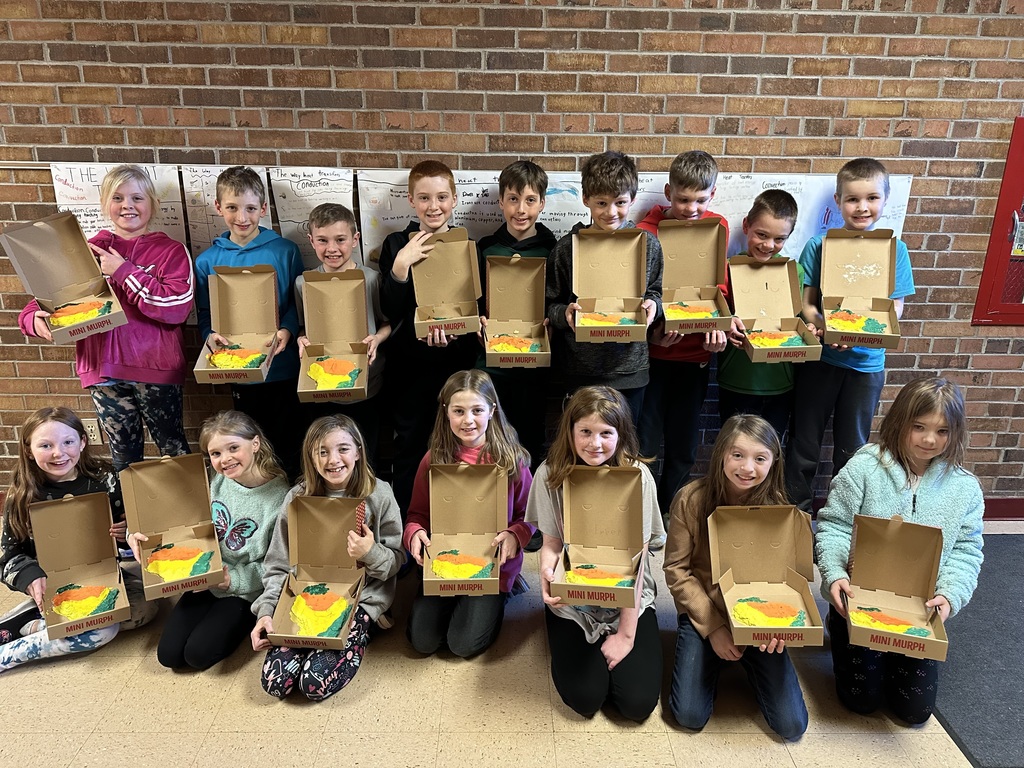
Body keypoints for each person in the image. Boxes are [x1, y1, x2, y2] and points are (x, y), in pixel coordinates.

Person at [816, 376, 984, 725]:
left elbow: (967, 551)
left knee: (914, 712)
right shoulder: (864, 468)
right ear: (899, 423)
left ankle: (894, 658)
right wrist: (835, 575)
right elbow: (835, 525)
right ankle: (848, 638)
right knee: (860, 702)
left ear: (955, 433)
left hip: (919, 608)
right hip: (861, 601)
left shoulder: (964, 488)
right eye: (919, 427)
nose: (928, 439)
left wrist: (950, 595)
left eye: (942, 431)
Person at [18, 164, 193, 471]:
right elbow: (45, 298)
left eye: (137, 197)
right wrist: (33, 319)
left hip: (156, 368)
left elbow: (175, 308)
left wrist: (123, 271)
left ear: (152, 203)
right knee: (123, 458)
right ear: (105, 204)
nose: (128, 205)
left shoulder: (171, 251)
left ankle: (191, 516)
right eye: (118, 198)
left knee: (173, 450)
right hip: (103, 372)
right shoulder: (86, 249)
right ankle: (128, 517)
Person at [663, 414, 808, 739]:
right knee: (688, 715)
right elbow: (676, 570)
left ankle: (748, 663)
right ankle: (712, 658)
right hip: (705, 612)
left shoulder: (779, 508)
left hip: (757, 619)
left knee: (792, 725)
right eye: (738, 455)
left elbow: (785, 580)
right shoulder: (691, 499)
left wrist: (780, 629)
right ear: (722, 456)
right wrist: (714, 628)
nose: (747, 468)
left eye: (760, 458)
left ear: (773, 462)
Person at [527, 386, 664, 721]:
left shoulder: (639, 477)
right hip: (575, 596)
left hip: (628, 599)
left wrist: (626, 636)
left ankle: (622, 636)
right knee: (586, 699)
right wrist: (548, 576)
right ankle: (564, 629)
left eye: (606, 433)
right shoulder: (549, 474)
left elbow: (640, 557)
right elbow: (552, 544)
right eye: (585, 432)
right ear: (570, 431)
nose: (595, 443)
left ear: (621, 434)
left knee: (637, 704)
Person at [787, 158, 916, 511]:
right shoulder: (819, 245)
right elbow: (808, 304)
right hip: (821, 360)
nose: (862, 207)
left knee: (852, 447)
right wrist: (825, 328)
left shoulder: (895, 250)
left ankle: (840, 519)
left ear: (886, 199)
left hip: (866, 365)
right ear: (838, 200)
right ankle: (796, 515)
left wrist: (859, 334)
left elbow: (896, 309)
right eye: (853, 199)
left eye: (872, 198)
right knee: (804, 443)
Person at [251, 415, 403, 700]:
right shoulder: (297, 498)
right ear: (311, 456)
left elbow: (396, 561)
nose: (333, 460)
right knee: (276, 682)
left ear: (358, 451)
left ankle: (366, 628)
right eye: (322, 451)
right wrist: (267, 613)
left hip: (360, 597)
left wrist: (370, 553)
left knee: (314, 683)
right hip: (304, 596)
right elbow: (277, 564)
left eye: (343, 449)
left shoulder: (379, 494)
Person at [129, 411, 291, 670]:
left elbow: (279, 564)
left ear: (256, 444)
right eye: (215, 454)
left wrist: (232, 580)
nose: (225, 459)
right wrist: (139, 538)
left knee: (198, 655)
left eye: (233, 448)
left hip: (246, 591)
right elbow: (181, 524)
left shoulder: (281, 498)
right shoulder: (215, 482)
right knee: (169, 655)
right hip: (205, 580)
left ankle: (246, 621)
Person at [0, 407, 157, 672]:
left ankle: (34, 623)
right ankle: (12, 652)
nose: (58, 453)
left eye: (68, 442)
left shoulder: (105, 479)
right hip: (54, 582)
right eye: (45, 445)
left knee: (145, 611)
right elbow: (8, 557)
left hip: (102, 575)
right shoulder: (22, 495)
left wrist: (126, 533)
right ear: (28, 450)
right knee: (102, 631)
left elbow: (131, 530)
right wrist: (29, 577)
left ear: (83, 442)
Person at [404, 370, 534, 657]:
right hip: (445, 562)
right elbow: (416, 514)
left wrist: (516, 535)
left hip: (492, 562)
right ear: (446, 412)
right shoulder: (433, 459)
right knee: (423, 642)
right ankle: (446, 599)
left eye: (477, 410)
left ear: (492, 410)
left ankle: (500, 596)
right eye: (459, 411)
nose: (468, 420)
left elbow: (530, 515)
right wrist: (415, 534)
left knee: (462, 645)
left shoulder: (512, 459)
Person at [378, 160, 477, 514]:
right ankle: (409, 531)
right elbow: (390, 308)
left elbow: (473, 307)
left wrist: (456, 334)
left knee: (456, 447)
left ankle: (452, 522)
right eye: (424, 198)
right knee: (411, 448)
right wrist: (402, 265)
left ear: (454, 199)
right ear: (411, 200)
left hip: (456, 363)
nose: (433, 206)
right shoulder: (395, 244)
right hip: (408, 368)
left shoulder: (466, 245)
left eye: (441, 197)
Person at [194, 166, 305, 479]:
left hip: (283, 368)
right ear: (218, 208)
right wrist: (209, 335)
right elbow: (205, 313)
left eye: (250, 208)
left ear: (264, 209)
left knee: (288, 446)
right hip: (240, 370)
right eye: (232, 208)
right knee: (248, 450)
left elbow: (297, 304)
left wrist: (286, 329)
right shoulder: (207, 261)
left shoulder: (285, 250)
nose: (241, 217)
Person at [637, 150, 730, 516]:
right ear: (668, 192)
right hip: (653, 359)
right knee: (644, 442)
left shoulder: (717, 227)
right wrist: (650, 336)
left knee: (684, 447)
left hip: (694, 360)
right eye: (682, 199)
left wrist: (718, 329)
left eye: (700, 200)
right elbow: (638, 295)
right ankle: (644, 518)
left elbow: (718, 289)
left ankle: (668, 512)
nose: (690, 208)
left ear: (713, 194)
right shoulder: (647, 232)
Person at [545, 151, 664, 424]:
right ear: (585, 198)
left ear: (632, 199)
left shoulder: (648, 245)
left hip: (630, 372)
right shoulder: (567, 248)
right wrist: (565, 314)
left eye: (620, 202)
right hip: (580, 371)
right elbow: (549, 303)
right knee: (581, 451)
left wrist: (653, 307)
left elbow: (657, 292)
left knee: (625, 452)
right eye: (601, 202)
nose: (611, 212)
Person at [476, 160, 557, 474]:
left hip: (534, 364)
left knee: (530, 438)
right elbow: (475, 302)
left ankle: (527, 518)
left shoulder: (554, 250)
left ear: (542, 203)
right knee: (491, 439)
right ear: (501, 202)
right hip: (492, 365)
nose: (521, 209)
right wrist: (478, 321)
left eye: (530, 200)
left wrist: (552, 318)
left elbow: (559, 302)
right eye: (513, 199)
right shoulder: (485, 249)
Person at [294, 203, 391, 464]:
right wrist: (300, 338)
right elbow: (304, 326)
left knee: (364, 455)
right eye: (323, 241)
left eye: (340, 240)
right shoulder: (304, 283)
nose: (332, 249)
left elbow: (387, 322)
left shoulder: (371, 279)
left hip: (366, 385)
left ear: (355, 239)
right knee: (327, 458)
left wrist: (378, 339)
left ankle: (366, 505)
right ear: (311, 240)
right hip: (321, 386)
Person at [718, 190, 803, 441]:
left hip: (780, 380)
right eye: (762, 235)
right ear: (746, 226)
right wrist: (727, 325)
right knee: (733, 446)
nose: (768, 245)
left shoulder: (794, 271)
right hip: (736, 377)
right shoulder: (728, 268)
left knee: (771, 451)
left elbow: (796, 320)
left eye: (779, 239)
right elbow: (718, 314)